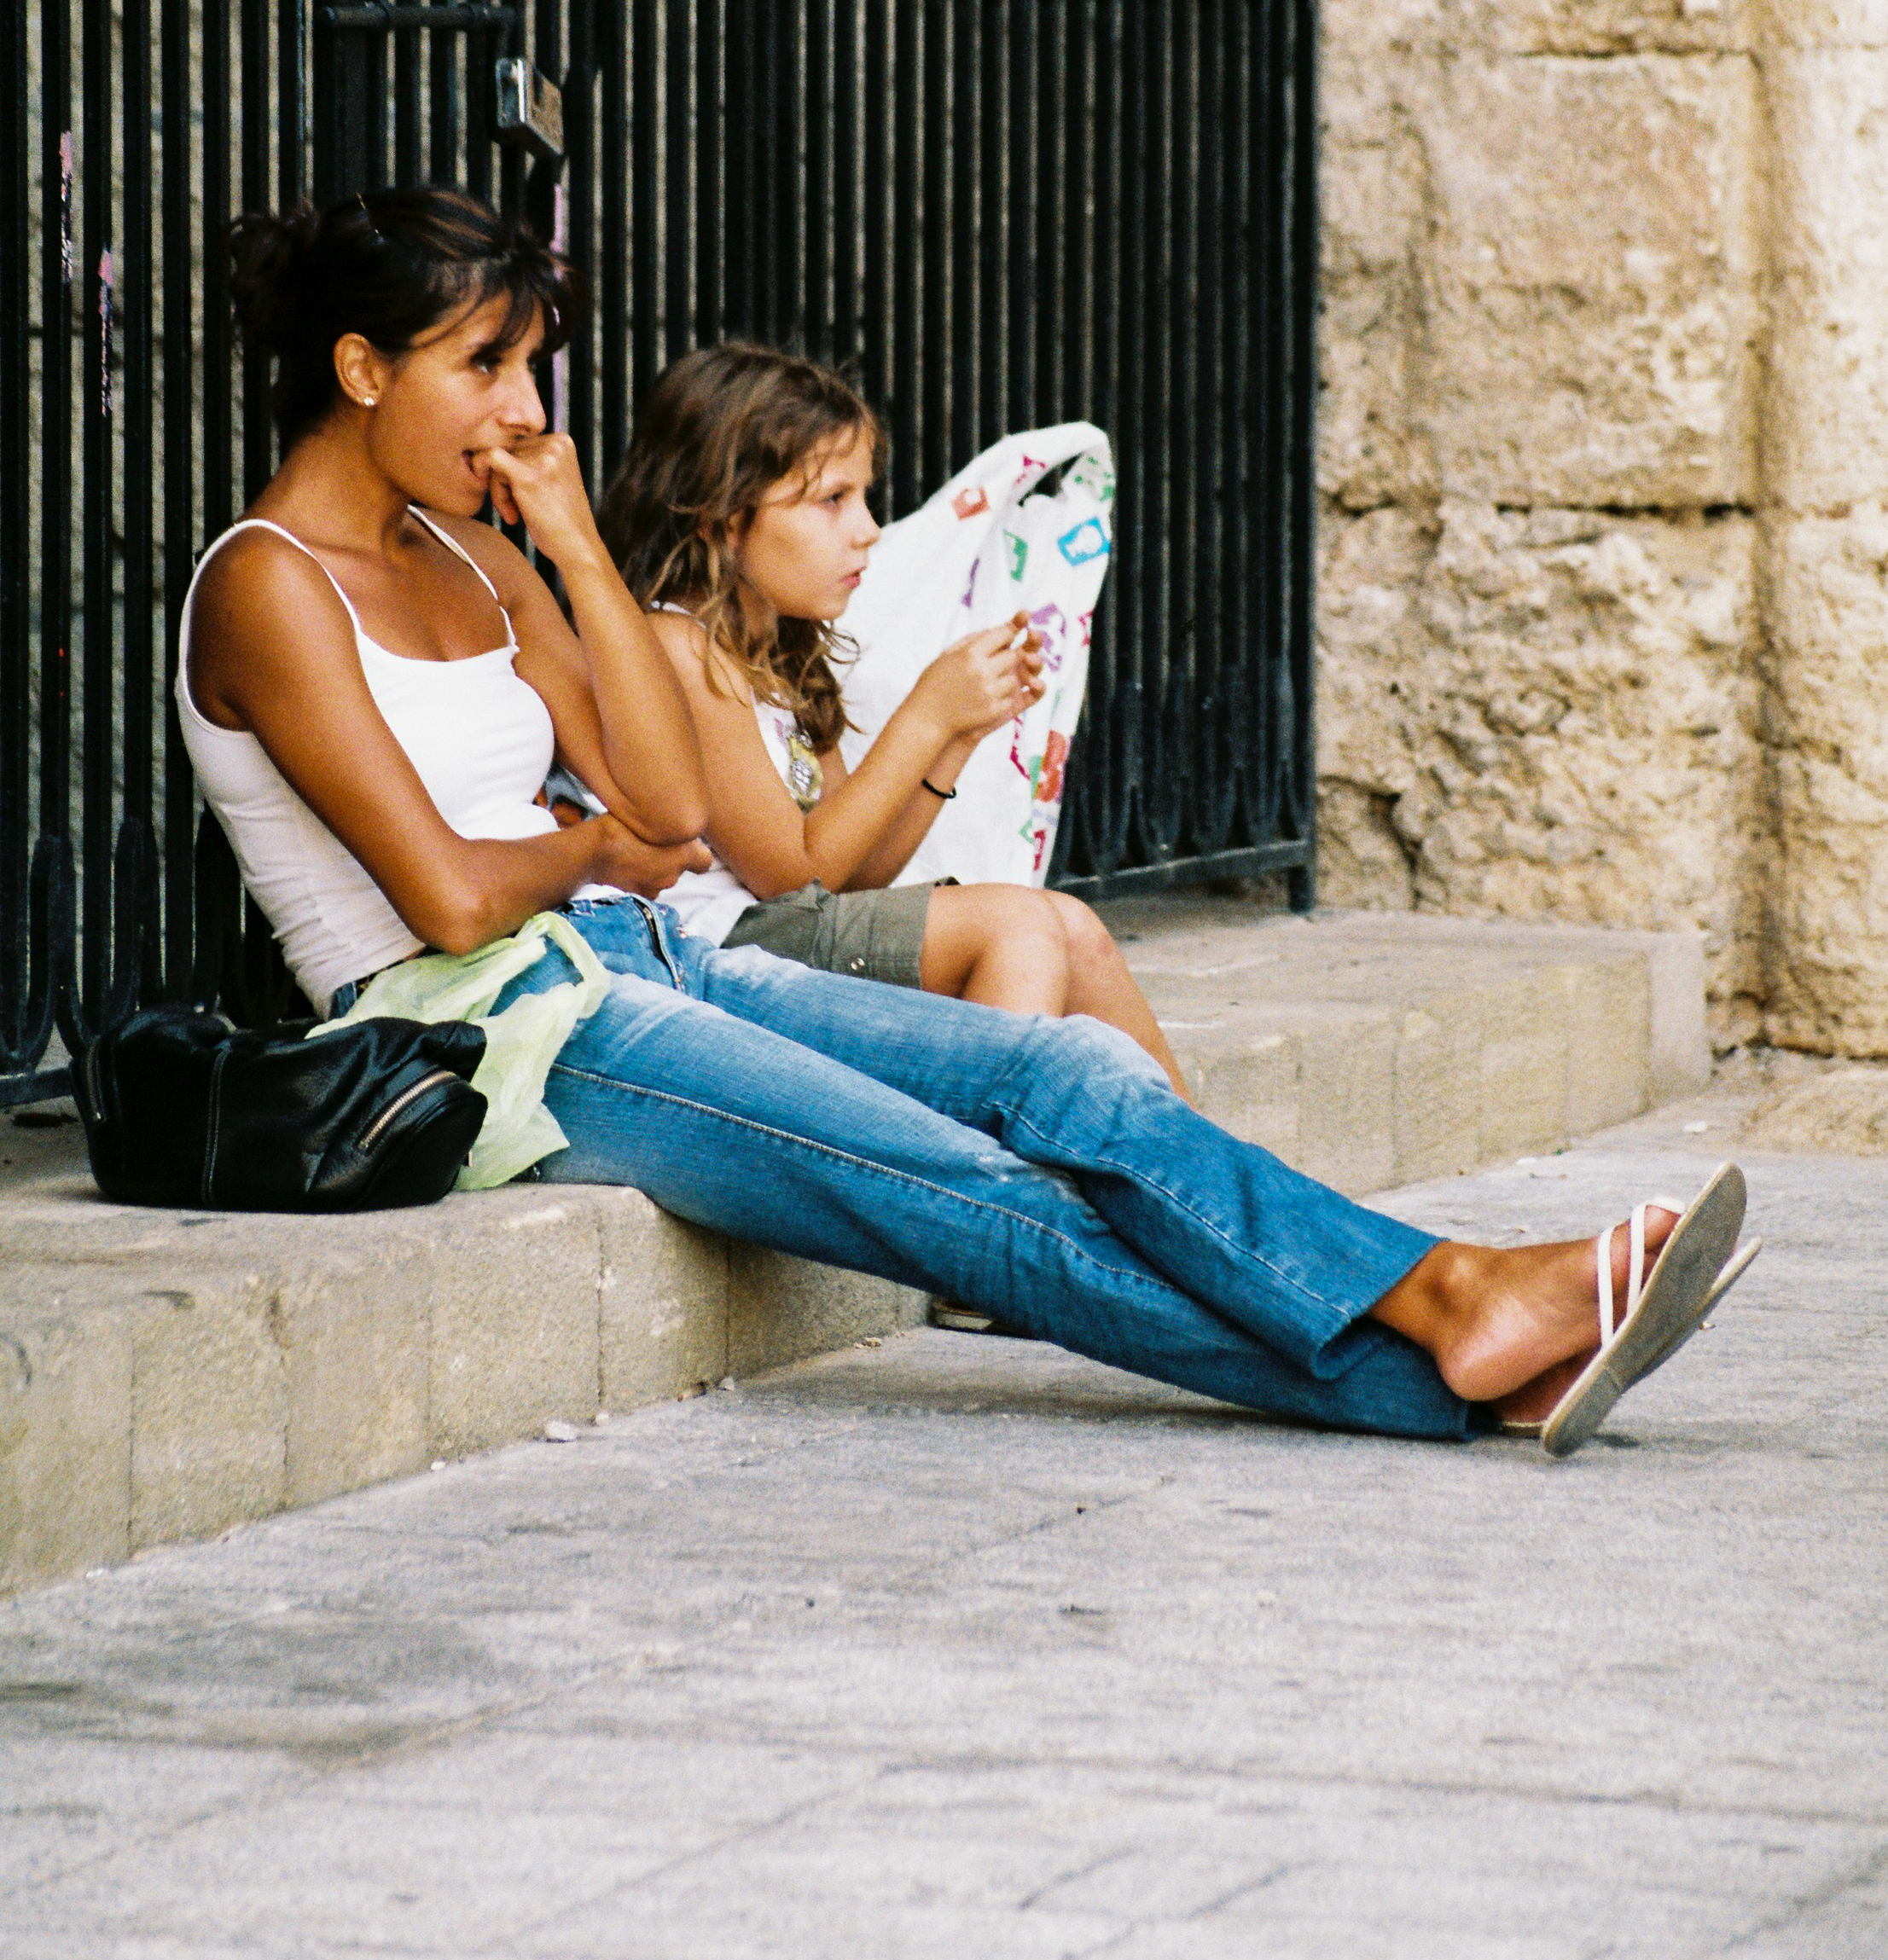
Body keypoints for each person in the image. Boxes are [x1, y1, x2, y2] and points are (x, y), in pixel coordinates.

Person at [175, 183, 1756, 1458]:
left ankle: (1464, 1316)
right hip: (492, 1040)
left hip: (643, 953)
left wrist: (578, 544)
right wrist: (584, 847)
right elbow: (451, 904)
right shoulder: (265, 584)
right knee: (972, 1198)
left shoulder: (482, 558)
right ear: (362, 368)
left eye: (533, 368)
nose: (520, 410)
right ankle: (1451, 1351)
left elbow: (663, 816)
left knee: (1063, 1065)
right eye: (484, 367)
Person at [595, 341, 1193, 1099]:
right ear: (721, 518)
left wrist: (954, 741)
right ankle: (989, 1177)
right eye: (831, 500)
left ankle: (1204, 1170)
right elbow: (793, 877)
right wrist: (922, 715)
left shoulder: (778, 653)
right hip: (718, 951)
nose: (868, 529)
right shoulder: (678, 644)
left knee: (1072, 926)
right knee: (1017, 925)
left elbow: (856, 873)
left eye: (864, 498)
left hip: (790, 932)